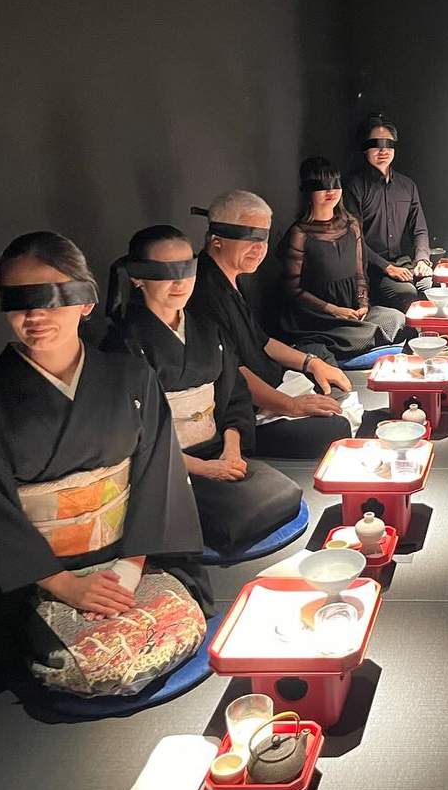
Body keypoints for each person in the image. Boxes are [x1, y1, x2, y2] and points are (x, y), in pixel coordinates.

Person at [0, 232, 210, 697]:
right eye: (18, 301)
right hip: (38, 578)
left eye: (51, 298)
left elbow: (157, 474)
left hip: (131, 555)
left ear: (86, 301)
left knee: (174, 629)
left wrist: (131, 567)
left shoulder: (132, 378)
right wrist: (64, 584)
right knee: (97, 664)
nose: (34, 316)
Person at [104, 225, 305, 554]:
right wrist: (203, 468)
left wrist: (231, 450)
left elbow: (234, 394)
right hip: (169, 467)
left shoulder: (206, 327)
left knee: (286, 495)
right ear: (137, 277)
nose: (180, 282)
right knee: (241, 518)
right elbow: (133, 435)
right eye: (165, 272)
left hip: (217, 449)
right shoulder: (124, 345)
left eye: (187, 269)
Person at [187, 190, 354, 459]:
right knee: (335, 428)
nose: (260, 248)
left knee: (321, 356)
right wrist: (292, 406)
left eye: (263, 238)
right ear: (217, 240)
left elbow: (261, 340)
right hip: (243, 410)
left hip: (271, 378)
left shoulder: (231, 276)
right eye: (249, 238)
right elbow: (233, 372)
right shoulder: (203, 291)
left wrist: (311, 363)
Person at [279, 157, 408, 361]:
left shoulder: (351, 224)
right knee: (367, 334)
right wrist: (334, 311)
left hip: (353, 309)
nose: (330, 191)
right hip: (319, 316)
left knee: (396, 319)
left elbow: (360, 273)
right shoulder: (299, 234)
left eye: (334, 184)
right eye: (321, 185)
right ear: (308, 191)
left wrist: (363, 304)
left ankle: (361, 342)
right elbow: (292, 290)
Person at [343, 114, 434, 312]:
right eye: (376, 144)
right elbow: (354, 239)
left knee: (429, 285)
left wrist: (422, 260)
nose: (383, 150)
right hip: (371, 267)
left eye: (388, 144)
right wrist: (387, 267)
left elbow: (419, 229)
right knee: (406, 293)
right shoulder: (354, 186)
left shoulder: (407, 186)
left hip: (402, 262)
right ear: (365, 148)